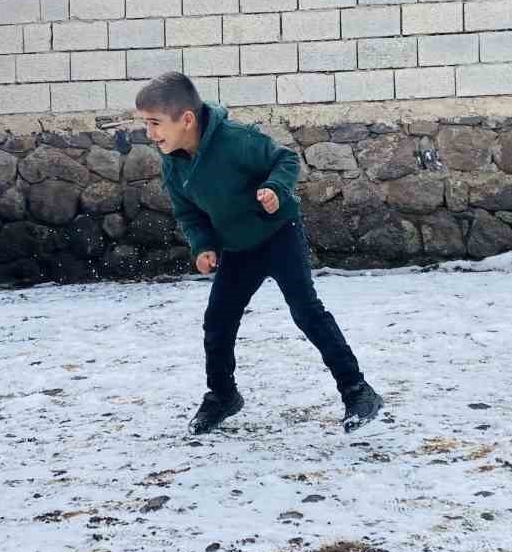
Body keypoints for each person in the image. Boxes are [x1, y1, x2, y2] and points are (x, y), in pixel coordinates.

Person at [136, 72, 384, 435]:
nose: (149, 133)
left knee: (306, 311)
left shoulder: (236, 140)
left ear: (186, 119)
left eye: (155, 123)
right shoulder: (173, 163)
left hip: (279, 234)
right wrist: (203, 246)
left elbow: (285, 160)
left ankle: (358, 391)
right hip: (238, 248)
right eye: (146, 123)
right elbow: (188, 213)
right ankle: (223, 396)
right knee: (218, 320)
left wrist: (274, 189)